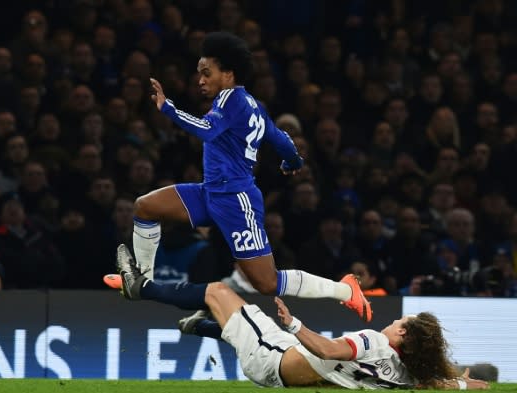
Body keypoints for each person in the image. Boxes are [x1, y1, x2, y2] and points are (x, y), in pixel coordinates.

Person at [104, 32, 372, 321]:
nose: (200, 80)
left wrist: (168, 108)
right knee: (146, 206)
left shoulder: (233, 101)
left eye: (207, 73)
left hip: (236, 199)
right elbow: (279, 136)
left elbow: (207, 129)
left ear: (228, 74)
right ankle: (141, 283)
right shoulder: (251, 104)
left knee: (267, 282)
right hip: (211, 192)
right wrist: (292, 160)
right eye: (199, 74)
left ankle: (345, 291)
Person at [114, 245, 489, 390]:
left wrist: (293, 323)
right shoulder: (410, 378)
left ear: (403, 337)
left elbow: (327, 349)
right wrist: (478, 387)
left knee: (218, 291)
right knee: (245, 316)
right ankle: (204, 326)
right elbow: (447, 386)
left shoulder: (374, 342)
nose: (394, 322)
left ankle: (139, 288)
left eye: (401, 325)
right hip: (290, 365)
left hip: (271, 359)